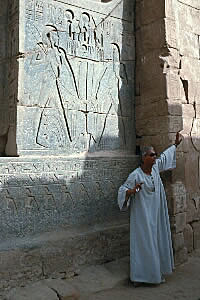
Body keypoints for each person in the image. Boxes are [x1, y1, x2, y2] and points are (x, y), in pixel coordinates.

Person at [118, 132, 183, 286]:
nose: (155, 157)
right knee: (144, 245)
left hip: (156, 214)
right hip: (143, 217)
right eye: (152, 155)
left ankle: (155, 274)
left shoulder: (155, 169)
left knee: (157, 242)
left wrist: (176, 145)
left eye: (155, 155)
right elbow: (122, 190)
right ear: (144, 158)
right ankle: (140, 277)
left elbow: (166, 157)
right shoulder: (135, 175)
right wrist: (131, 192)